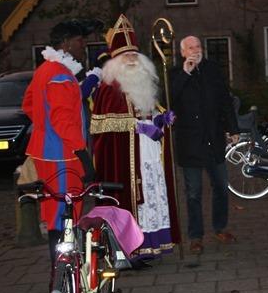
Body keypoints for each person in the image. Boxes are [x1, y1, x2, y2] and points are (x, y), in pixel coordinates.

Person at [91, 15, 180, 262]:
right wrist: (139, 128)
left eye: (134, 55)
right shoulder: (109, 88)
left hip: (149, 154)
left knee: (153, 197)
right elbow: (101, 124)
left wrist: (162, 119)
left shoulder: (144, 82)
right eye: (125, 56)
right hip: (127, 157)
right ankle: (131, 249)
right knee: (135, 201)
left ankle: (153, 244)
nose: (131, 60)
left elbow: (151, 113)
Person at [22, 19, 96, 267]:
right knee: (67, 214)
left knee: (54, 214)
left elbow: (29, 105)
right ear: (65, 43)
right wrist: (83, 154)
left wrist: (45, 130)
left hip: (46, 153)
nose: (82, 45)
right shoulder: (61, 76)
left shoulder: (44, 69)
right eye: (78, 40)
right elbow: (64, 120)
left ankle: (61, 274)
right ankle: (65, 272)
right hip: (63, 156)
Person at [171, 35, 239, 255]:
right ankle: (195, 236)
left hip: (213, 139)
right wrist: (185, 73)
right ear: (182, 52)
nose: (195, 50)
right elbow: (168, 99)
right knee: (193, 192)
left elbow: (225, 101)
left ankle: (219, 227)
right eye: (190, 47)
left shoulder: (212, 69)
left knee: (220, 186)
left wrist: (233, 128)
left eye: (198, 46)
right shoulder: (175, 73)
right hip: (189, 143)